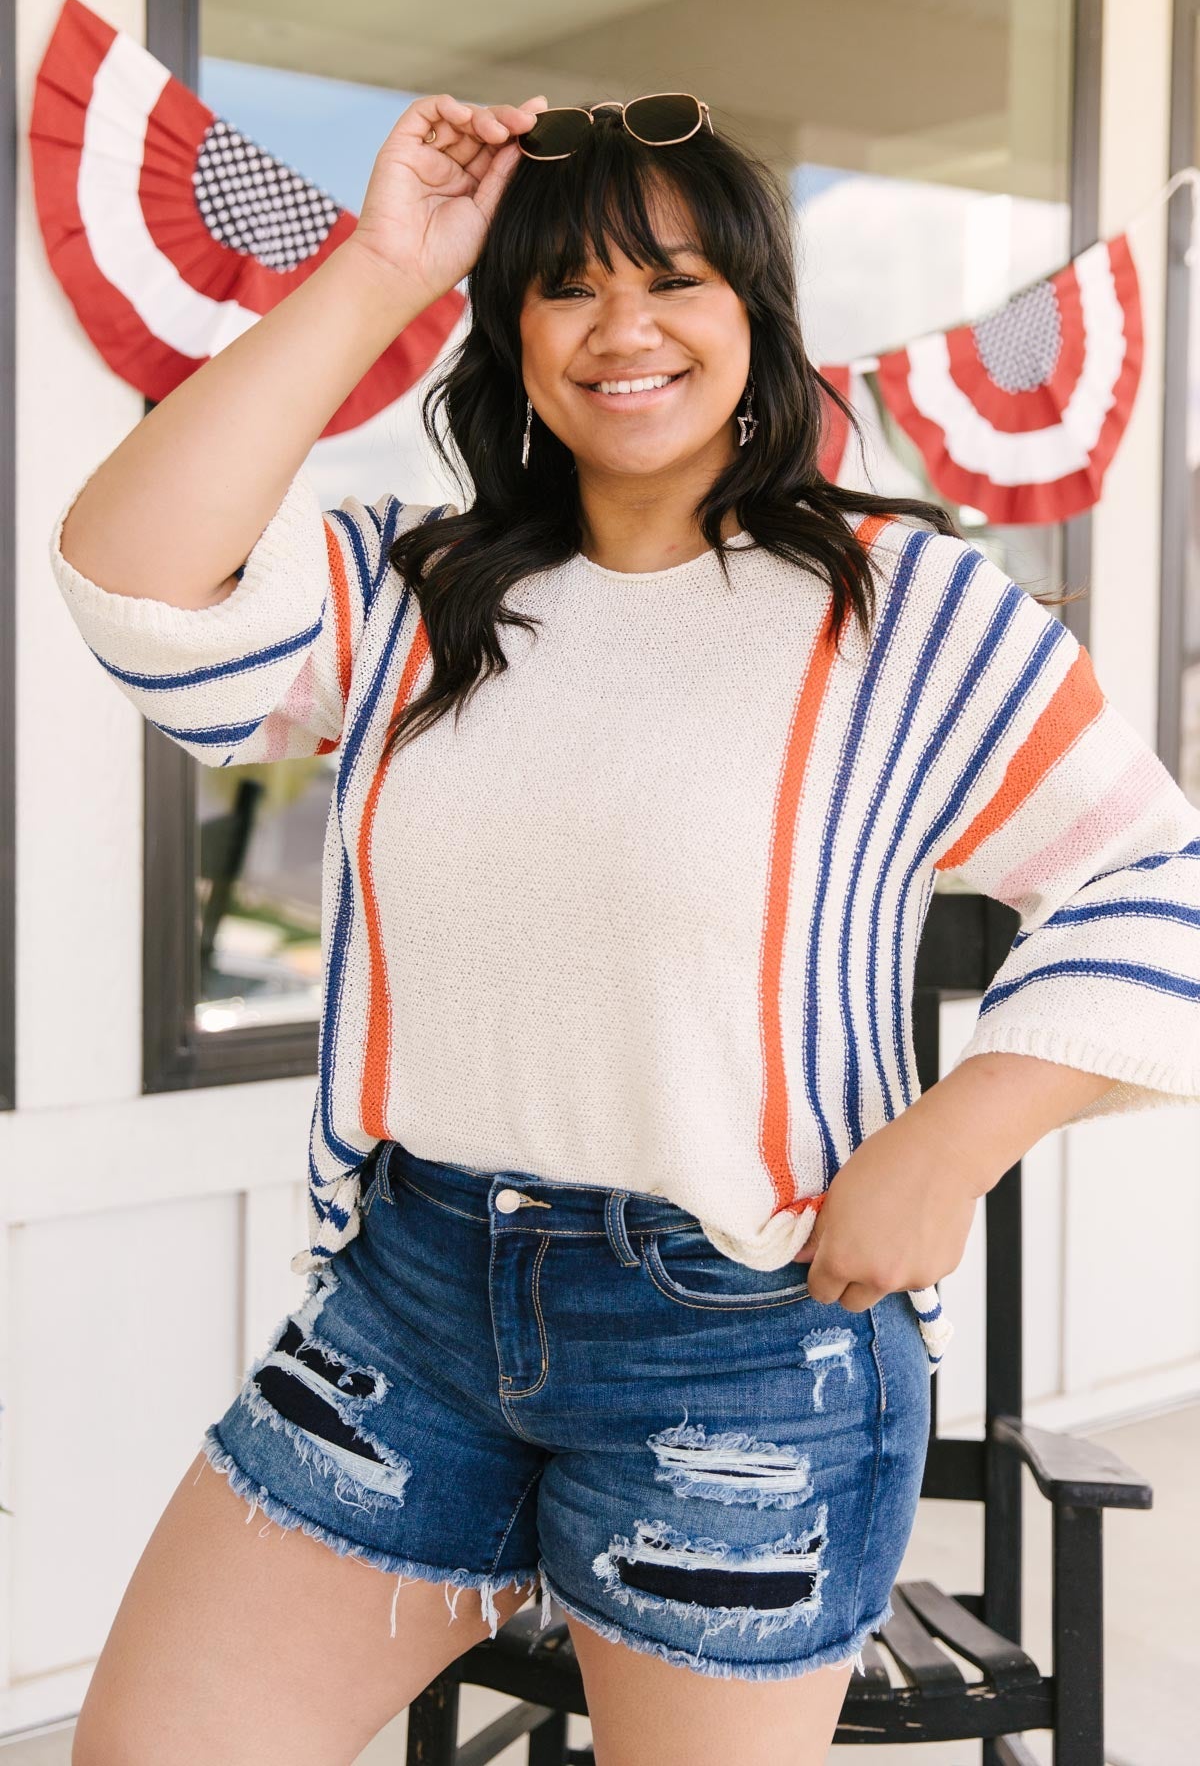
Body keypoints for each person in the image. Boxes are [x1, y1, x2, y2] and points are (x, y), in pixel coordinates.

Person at [51, 92, 1199, 1766]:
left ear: (756, 320)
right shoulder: (410, 598)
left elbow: (1157, 880)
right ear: (512, 336)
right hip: (406, 1307)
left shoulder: (903, 614)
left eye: (678, 281)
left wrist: (956, 1140)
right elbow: (132, 583)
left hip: (742, 1342)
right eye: (568, 287)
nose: (625, 329)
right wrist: (383, 265)